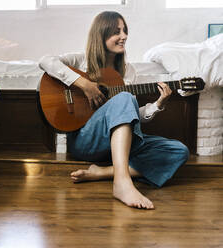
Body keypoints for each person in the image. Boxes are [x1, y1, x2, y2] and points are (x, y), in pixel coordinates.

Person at [38, 11, 189, 210]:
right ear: (101, 34)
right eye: (117, 31)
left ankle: (103, 172)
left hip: (119, 146)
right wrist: (83, 84)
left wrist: (158, 104)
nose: (124, 36)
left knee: (179, 151)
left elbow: (130, 114)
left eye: (125, 30)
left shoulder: (129, 70)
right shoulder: (80, 61)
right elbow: (45, 61)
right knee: (124, 98)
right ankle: (122, 183)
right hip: (87, 141)